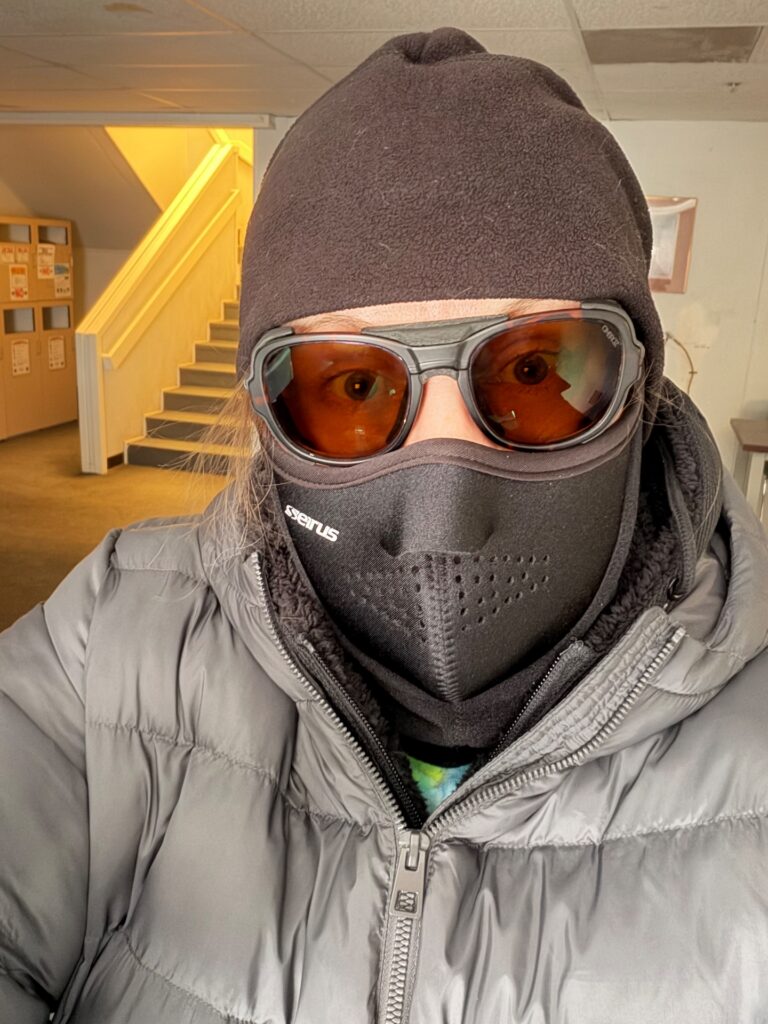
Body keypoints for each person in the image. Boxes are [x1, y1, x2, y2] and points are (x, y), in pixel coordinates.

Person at [1, 25, 767, 1024]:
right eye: (353, 385)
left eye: (533, 370)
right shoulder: (113, 644)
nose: (443, 514)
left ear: (638, 389)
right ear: (267, 412)